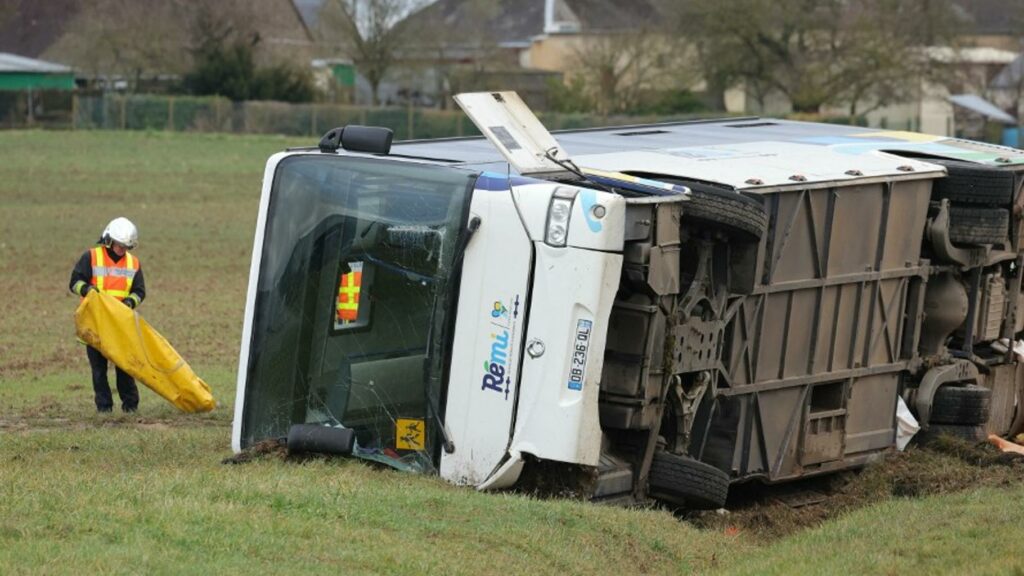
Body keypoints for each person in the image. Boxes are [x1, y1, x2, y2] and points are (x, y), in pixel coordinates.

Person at [68, 217, 146, 413]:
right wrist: (87, 289)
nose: (122, 249)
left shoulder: (133, 263)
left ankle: (130, 407)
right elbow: (74, 282)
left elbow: (139, 291)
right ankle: (104, 409)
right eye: (120, 245)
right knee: (99, 370)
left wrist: (130, 302)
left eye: (126, 246)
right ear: (109, 240)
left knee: (125, 369)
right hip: (95, 323)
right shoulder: (91, 257)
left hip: (120, 325)